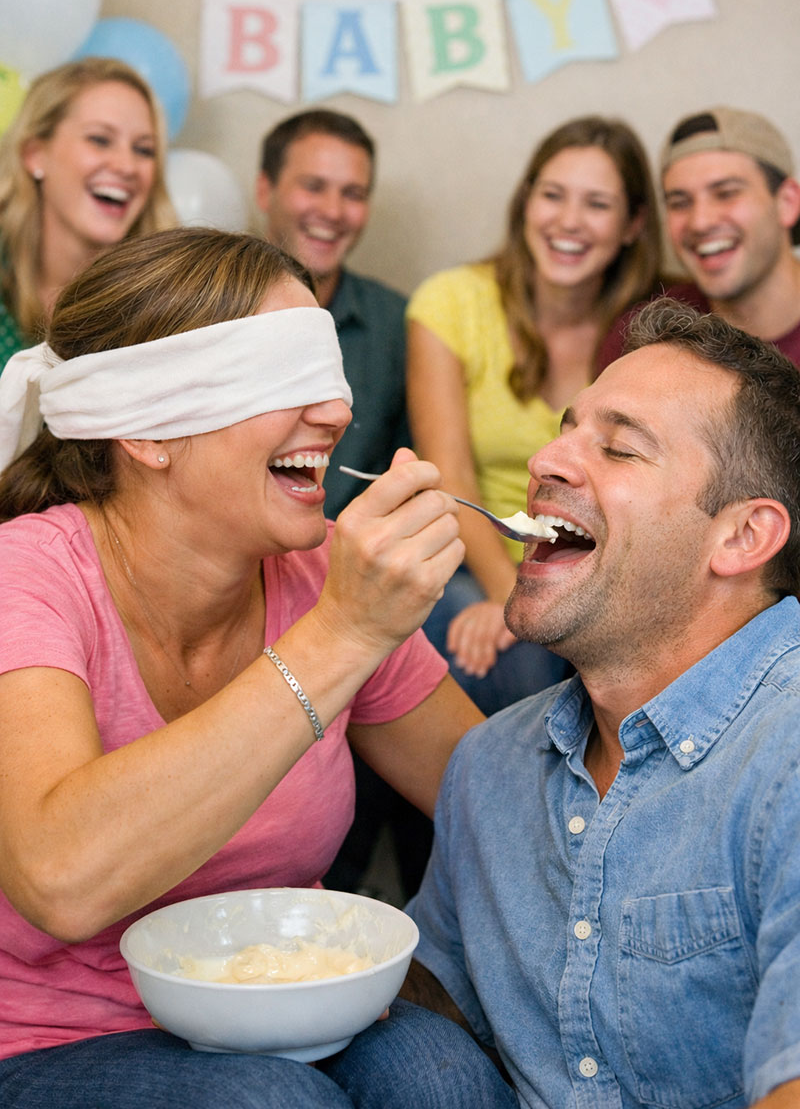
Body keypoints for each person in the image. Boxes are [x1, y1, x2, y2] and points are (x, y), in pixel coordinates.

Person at [0, 227, 509, 1108]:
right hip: (51, 1037)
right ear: (149, 431)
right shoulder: (27, 577)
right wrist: (342, 637)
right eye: (283, 376)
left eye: (329, 370)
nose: (338, 412)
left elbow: (497, 799)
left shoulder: (319, 579)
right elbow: (61, 879)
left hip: (290, 1002)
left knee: (447, 1083)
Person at [391, 299, 800, 1108]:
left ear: (743, 536)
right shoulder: (490, 767)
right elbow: (426, 1003)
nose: (547, 459)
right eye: (564, 429)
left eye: (617, 448)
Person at [406, 115, 661, 716]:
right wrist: (508, 594)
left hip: (602, 557)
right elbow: (452, 480)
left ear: (632, 226)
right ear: (525, 204)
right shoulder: (451, 303)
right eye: (552, 195)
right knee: (515, 652)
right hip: (479, 554)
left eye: (596, 204)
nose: (568, 221)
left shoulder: (652, 328)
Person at [256, 109, 409, 519]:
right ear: (264, 190)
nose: (334, 211)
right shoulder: (205, 309)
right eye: (313, 186)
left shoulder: (397, 325)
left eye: (353, 194)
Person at [0, 56, 176, 370]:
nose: (126, 166)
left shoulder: (172, 304)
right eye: (99, 140)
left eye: (144, 149)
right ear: (35, 154)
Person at [598, 105, 800, 369]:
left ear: (787, 202)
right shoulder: (644, 338)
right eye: (680, 202)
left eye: (726, 193)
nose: (701, 222)